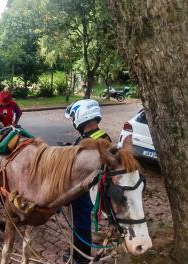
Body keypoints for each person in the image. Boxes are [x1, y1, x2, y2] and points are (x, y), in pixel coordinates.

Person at [63, 99, 111, 264]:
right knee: (81, 224)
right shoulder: (103, 135)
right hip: (96, 188)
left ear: (80, 116)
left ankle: (80, 258)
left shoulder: (86, 142)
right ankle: (76, 252)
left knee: (80, 224)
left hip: (83, 191)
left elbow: (77, 168)